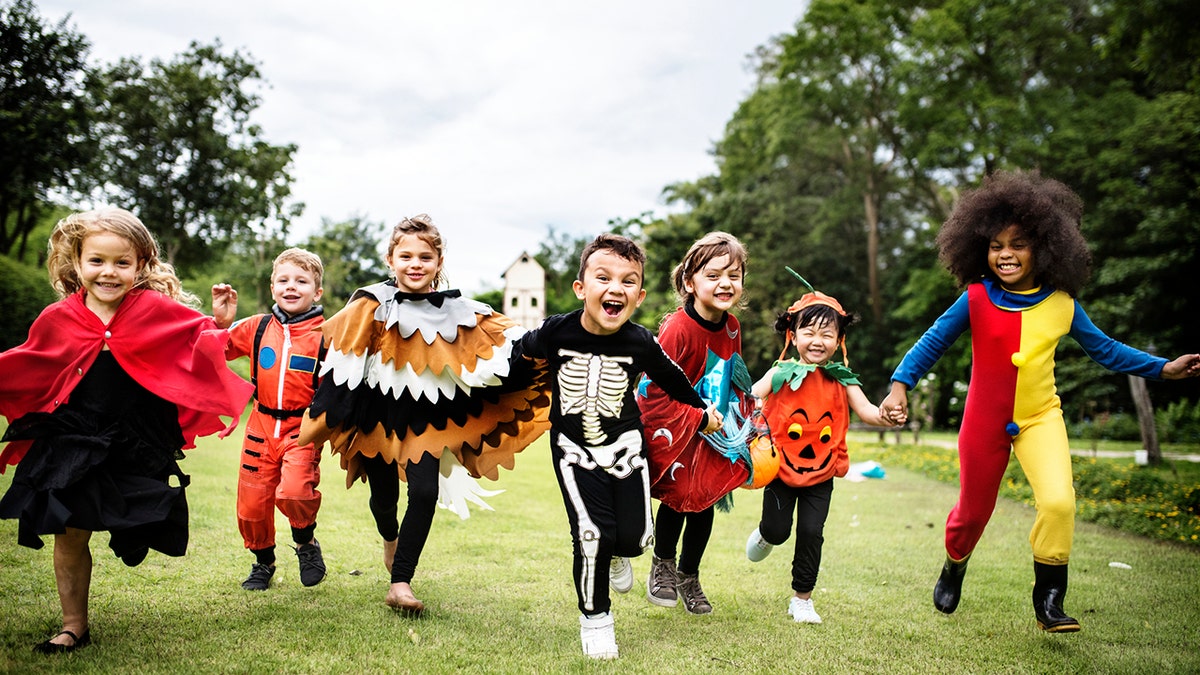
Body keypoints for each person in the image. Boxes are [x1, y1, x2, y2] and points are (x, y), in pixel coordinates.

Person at [880, 170, 1200, 633]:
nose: (1005, 254)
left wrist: (1163, 366)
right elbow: (931, 342)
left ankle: (1049, 598)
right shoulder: (974, 297)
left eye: (1018, 244)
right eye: (995, 245)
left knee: (1058, 503)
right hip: (983, 421)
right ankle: (954, 565)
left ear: (1046, 248)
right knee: (972, 512)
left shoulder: (1063, 303)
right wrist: (899, 385)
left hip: (1040, 417)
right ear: (980, 250)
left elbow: (1107, 350)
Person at [0, 207, 253, 653]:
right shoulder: (58, 317)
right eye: (97, 261)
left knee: (137, 527)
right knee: (69, 528)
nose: (108, 272)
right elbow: (30, 361)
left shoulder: (154, 309)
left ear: (140, 266)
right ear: (76, 262)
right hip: (72, 436)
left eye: (122, 263)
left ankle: (129, 537)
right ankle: (73, 624)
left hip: (135, 438)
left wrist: (219, 324)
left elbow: (198, 348)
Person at [298, 214, 549, 617]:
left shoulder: (462, 310)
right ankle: (389, 539)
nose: (415, 264)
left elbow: (511, 340)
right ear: (391, 259)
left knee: (426, 493)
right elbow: (326, 344)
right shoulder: (370, 304)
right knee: (384, 499)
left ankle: (400, 582)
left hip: (429, 421)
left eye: (425, 257)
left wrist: (561, 335)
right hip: (376, 417)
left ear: (438, 261)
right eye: (406, 255)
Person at [513, 233, 723, 660]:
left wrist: (704, 412)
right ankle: (595, 619)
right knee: (591, 534)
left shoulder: (640, 341)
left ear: (640, 295)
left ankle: (616, 554)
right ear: (581, 287)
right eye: (603, 277)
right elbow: (517, 357)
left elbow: (673, 380)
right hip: (572, 450)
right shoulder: (556, 331)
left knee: (634, 538)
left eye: (628, 281)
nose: (615, 288)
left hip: (627, 447)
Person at [744, 282, 901, 625]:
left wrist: (887, 416)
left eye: (827, 334)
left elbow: (868, 411)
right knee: (778, 530)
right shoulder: (780, 373)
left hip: (822, 470)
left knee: (812, 532)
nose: (818, 341)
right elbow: (749, 398)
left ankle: (802, 598)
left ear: (839, 340)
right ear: (793, 336)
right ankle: (767, 535)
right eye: (809, 332)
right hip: (780, 469)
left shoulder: (843, 379)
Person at [636, 232, 754, 615]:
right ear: (690, 281)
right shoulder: (677, 328)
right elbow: (654, 387)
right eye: (714, 275)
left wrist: (745, 419)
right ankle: (663, 565)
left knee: (705, 502)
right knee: (679, 498)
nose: (725, 284)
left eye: (734, 276)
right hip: (678, 429)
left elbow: (731, 375)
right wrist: (694, 418)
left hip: (714, 432)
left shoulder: (732, 327)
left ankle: (689, 575)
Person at [219, 248, 327, 591]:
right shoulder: (256, 327)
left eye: (301, 281)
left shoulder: (327, 335)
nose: (291, 287)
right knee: (252, 505)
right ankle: (263, 563)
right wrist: (220, 323)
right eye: (283, 280)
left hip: (303, 427)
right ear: (272, 287)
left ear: (317, 291)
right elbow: (213, 348)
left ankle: (306, 543)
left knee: (295, 491)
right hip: (261, 425)